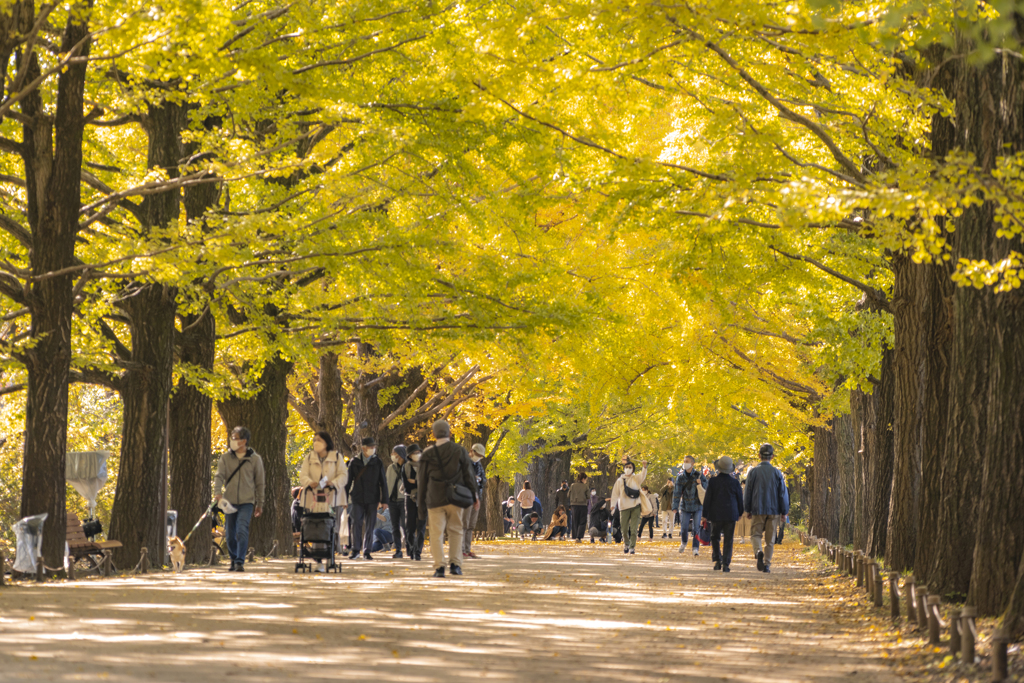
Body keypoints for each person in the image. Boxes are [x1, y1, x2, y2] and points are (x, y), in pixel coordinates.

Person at [417, 419, 479, 577]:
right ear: (450, 433)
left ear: (433, 434)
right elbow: (468, 475)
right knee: (456, 530)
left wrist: (420, 503)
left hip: (434, 498)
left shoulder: (427, 454)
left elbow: (422, 481)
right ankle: (455, 564)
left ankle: (439, 567)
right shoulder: (458, 450)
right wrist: (474, 495)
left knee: (436, 534)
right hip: (455, 497)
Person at [213, 426, 265, 572]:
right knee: (229, 534)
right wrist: (218, 492)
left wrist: (259, 504)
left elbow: (260, 483)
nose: (232, 441)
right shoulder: (225, 458)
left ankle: (240, 561)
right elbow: (219, 476)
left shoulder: (255, 459)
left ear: (244, 441)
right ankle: (233, 558)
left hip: (247, 502)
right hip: (229, 501)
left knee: (241, 530)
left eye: (235, 438)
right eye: (232, 438)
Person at [298, 431, 348, 559]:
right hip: (313, 496)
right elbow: (303, 475)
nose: (316, 443)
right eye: (314, 440)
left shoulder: (336, 457)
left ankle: (331, 550)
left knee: (329, 523)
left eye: (319, 440)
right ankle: (317, 553)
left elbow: (343, 475)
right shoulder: (309, 457)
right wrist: (310, 482)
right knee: (315, 524)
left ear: (326, 442)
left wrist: (333, 483)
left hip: (331, 496)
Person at [743, 444, 790, 573]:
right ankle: (767, 564)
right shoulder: (777, 472)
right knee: (770, 539)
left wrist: (747, 509)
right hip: (774, 510)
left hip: (757, 509)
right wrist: (784, 511)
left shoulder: (753, 472)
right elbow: (782, 493)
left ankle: (758, 551)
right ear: (772, 457)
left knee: (756, 534)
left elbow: (748, 491)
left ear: (759, 456)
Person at [345, 436, 389, 560]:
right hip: (357, 497)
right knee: (356, 523)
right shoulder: (354, 462)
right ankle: (355, 550)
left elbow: (383, 482)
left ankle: (367, 551)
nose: (373, 449)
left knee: (370, 525)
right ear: (363, 448)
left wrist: (385, 500)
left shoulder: (377, 462)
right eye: (371, 447)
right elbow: (347, 482)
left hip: (372, 498)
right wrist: (343, 498)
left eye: (374, 447)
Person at [702, 456, 744, 572]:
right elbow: (740, 499)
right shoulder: (735, 482)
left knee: (714, 537)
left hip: (716, 514)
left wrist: (704, 514)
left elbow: (708, 498)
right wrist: (740, 512)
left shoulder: (713, 481)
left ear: (719, 468)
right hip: (731, 513)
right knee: (728, 539)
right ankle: (726, 563)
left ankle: (717, 560)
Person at [673, 455, 708, 557]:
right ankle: (684, 542)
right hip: (685, 506)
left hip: (697, 506)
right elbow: (676, 493)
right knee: (684, 528)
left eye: (687, 461)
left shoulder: (699, 475)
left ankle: (695, 548)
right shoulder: (680, 477)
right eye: (684, 461)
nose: (685, 463)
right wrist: (675, 506)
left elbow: (706, 488)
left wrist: (700, 483)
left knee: (696, 528)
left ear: (692, 463)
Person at [610, 458, 647, 555]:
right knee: (624, 528)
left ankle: (632, 547)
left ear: (633, 469)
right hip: (623, 507)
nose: (628, 469)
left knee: (634, 529)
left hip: (635, 506)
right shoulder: (619, 480)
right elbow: (615, 494)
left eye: (630, 467)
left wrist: (644, 467)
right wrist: (613, 505)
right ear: (624, 468)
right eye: (626, 467)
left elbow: (643, 476)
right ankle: (626, 543)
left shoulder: (636, 478)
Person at [402, 444, 426, 561]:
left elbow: (427, 483)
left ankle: (418, 551)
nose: (417, 455)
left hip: (423, 499)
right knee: (410, 526)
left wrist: (415, 482)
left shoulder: (425, 466)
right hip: (410, 498)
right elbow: (406, 485)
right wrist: (419, 483)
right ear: (410, 455)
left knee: (421, 526)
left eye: (418, 452)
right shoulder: (405, 467)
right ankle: (410, 548)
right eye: (414, 453)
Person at [463, 443, 486, 559]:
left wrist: (480, 480)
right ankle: (461, 549)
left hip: (477, 497)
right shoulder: (464, 462)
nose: (479, 458)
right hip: (466, 497)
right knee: (464, 524)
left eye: (481, 456)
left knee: (471, 525)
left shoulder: (478, 465)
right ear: (471, 451)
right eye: (478, 455)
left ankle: (467, 549)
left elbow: (484, 479)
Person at [386, 445, 408, 559]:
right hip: (392, 501)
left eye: (395, 453)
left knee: (405, 525)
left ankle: (409, 547)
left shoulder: (408, 466)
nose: (393, 455)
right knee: (395, 526)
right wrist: (385, 499)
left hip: (404, 500)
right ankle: (398, 550)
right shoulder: (390, 468)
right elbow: (387, 484)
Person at [568, 474, 589, 542]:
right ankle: (579, 537)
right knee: (582, 521)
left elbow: (568, 494)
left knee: (575, 520)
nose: (586, 481)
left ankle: (575, 535)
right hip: (583, 505)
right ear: (583, 479)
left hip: (574, 505)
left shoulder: (572, 485)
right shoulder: (585, 486)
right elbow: (588, 496)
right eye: (586, 479)